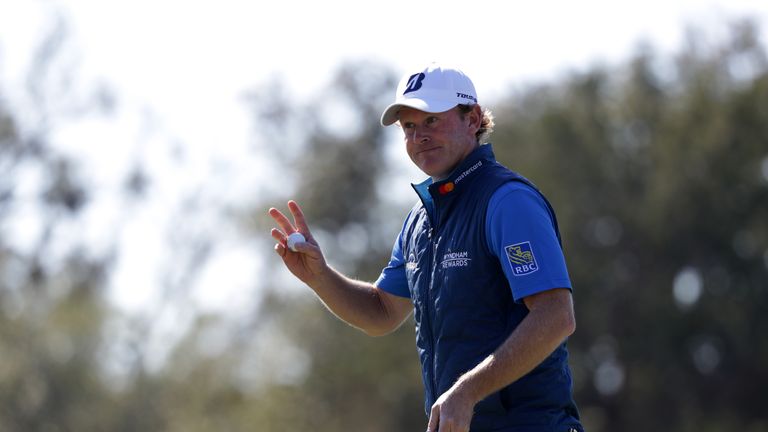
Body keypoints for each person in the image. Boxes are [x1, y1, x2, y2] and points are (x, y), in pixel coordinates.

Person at [268, 63, 583, 432]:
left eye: (432, 120)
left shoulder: (507, 201)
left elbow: (556, 315)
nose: (419, 137)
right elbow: (381, 311)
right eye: (409, 127)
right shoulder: (420, 220)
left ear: (473, 119)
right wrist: (320, 277)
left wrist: (466, 391)